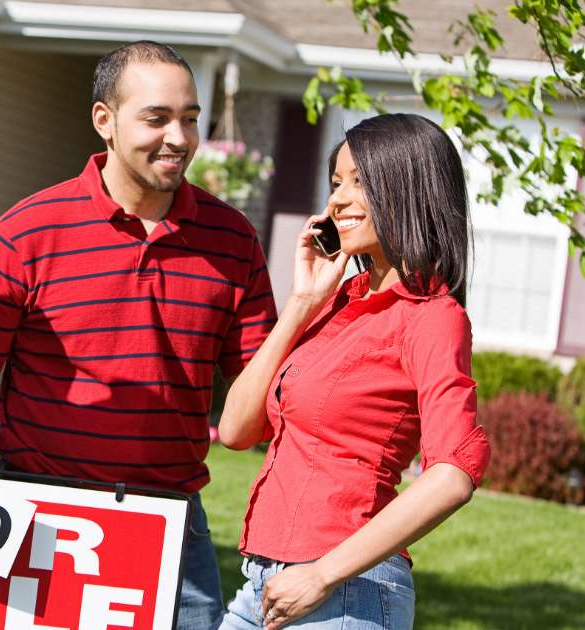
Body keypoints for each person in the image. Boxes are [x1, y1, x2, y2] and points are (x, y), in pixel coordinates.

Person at [0, 41, 277, 628]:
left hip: (172, 524)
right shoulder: (25, 232)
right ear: (105, 122)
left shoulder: (233, 240)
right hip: (38, 513)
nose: (179, 137)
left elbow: (259, 399)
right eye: (156, 118)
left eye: (190, 119)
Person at [213, 113, 491, 630]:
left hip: (345, 593)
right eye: (336, 182)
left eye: (359, 183)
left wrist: (322, 575)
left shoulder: (432, 317)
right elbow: (235, 429)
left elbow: (452, 475)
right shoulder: (336, 305)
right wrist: (301, 302)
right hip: (264, 583)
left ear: (407, 188)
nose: (337, 200)